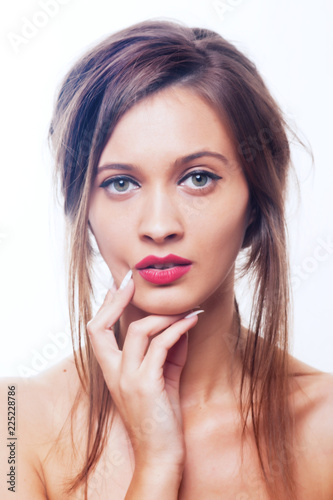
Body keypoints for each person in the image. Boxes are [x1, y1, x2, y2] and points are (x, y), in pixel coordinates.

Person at [1, 18, 332, 500]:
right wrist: (156, 464)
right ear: (83, 212)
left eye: (198, 178)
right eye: (121, 183)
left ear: (256, 201)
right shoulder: (13, 420)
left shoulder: (324, 424)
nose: (159, 225)